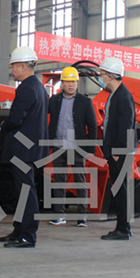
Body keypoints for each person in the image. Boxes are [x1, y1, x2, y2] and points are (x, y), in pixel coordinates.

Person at [0, 46, 47, 249]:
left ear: (24, 66)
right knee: (23, 191)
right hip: (30, 149)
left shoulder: (26, 88)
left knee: (26, 192)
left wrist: (3, 126)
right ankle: (19, 230)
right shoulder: (39, 88)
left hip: (23, 150)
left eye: (13, 66)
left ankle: (28, 235)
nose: (12, 70)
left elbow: (16, 118)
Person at [46, 66, 97, 227]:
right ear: (62, 84)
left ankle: (82, 217)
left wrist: (90, 149)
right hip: (58, 146)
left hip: (77, 148)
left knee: (80, 181)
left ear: (77, 83)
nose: (70, 85)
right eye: (67, 82)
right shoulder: (54, 101)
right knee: (58, 182)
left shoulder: (85, 102)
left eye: (73, 82)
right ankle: (59, 215)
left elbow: (92, 126)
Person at [98, 57, 137, 242]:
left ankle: (123, 228)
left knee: (121, 190)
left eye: (101, 74)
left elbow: (126, 125)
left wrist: (118, 150)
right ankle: (122, 227)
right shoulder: (115, 94)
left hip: (120, 152)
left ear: (110, 76)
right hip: (116, 151)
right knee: (119, 189)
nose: (100, 78)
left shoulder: (123, 96)